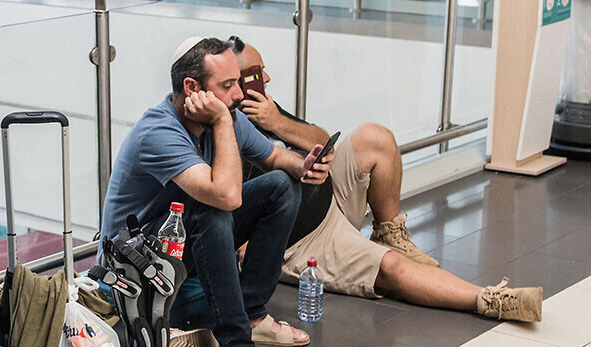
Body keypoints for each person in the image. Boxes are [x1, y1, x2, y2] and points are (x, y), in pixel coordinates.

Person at [228, 35, 543, 319]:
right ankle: (489, 299)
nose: (266, 77)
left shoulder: (263, 107)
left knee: (375, 138)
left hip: (328, 194)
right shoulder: (221, 130)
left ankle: (389, 232)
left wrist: (278, 121)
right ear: (235, 82)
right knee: (391, 266)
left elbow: (321, 140)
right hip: (301, 240)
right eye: (256, 73)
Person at [99, 37, 332, 347]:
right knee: (212, 206)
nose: (239, 95)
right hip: (136, 267)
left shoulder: (224, 117)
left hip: (180, 245)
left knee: (282, 186)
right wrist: (223, 120)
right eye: (228, 86)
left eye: (238, 82)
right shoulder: (159, 131)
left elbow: (272, 156)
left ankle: (252, 315)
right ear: (192, 88)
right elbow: (226, 195)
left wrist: (304, 164)